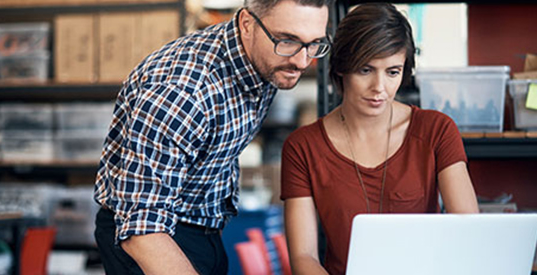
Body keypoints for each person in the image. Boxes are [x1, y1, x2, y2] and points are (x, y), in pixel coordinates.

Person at [93, 0, 332, 274]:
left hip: (205, 228)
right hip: (152, 238)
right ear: (246, 24)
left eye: (314, 44)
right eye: (288, 40)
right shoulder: (182, 92)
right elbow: (141, 227)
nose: (302, 61)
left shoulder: (268, 59)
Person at [280, 3, 480, 275]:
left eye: (392, 72)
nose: (379, 88)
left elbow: (469, 235)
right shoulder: (303, 147)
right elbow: (304, 257)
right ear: (341, 67)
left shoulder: (436, 130)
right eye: (365, 70)